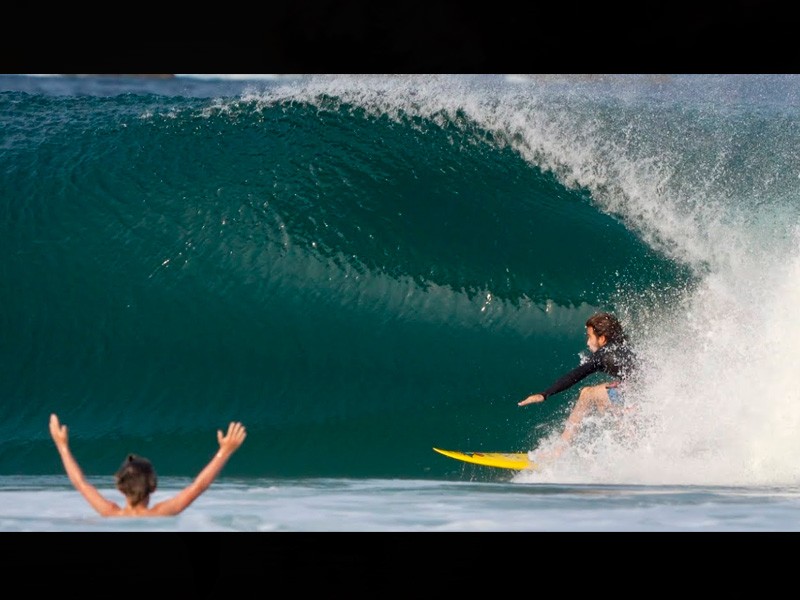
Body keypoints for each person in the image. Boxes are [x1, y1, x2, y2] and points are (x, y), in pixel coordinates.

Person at [49, 413, 247, 517]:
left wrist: (62, 447)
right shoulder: (162, 514)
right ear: (153, 486)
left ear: (119, 486)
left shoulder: (110, 514)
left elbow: (81, 484)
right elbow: (198, 486)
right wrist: (224, 451)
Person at [518, 311, 637, 461]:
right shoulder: (623, 346)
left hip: (635, 393)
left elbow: (576, 375)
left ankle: (557, 453)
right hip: (646, 391)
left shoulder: (603, 355)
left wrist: (545, 393)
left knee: (587, 394)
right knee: (607, 396)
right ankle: (634, 450)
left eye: (589, 337)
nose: (587, 342)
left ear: (602, 338)